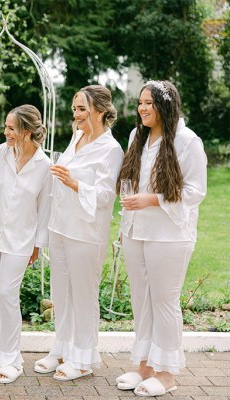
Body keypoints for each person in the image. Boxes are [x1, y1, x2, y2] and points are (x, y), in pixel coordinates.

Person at [115, 80, 207, 397]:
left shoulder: (187, 141)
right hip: (135, 231)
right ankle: (145, 367)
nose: (142, 108)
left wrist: (152, 199)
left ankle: (167, 374)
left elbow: (196, 191)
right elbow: (130, 179)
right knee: (142, 302)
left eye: (149, 103)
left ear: (165, 106)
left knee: (164, 302)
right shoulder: (136, 136)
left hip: (170, 235)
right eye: (140, 102)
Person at [35, 85, 124, 381]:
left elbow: (105, 196)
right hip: (61, 226)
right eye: (74, 109)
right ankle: (61, 348)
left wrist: (73, 183)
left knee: (83, 295)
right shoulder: (76, 137)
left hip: (86, 233)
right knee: (62, 293)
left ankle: (83, 359)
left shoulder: (111, 150)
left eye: (82, 109)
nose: (76, 115)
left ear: (99, 111)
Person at [0, 105, 52, 384]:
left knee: (7, 292)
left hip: (21, 239)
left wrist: (38, 245)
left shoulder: (45, 166)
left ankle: (12, 357)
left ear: (27, 133)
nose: (5, 132)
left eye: (11, 128)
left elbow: (45, 209)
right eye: (5, 127)